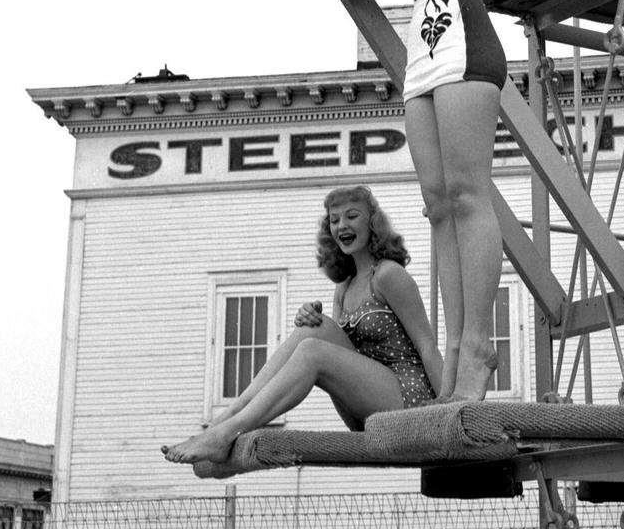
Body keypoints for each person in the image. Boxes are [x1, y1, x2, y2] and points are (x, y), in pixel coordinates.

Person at [213, 0, 507, 403]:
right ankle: (455, 347)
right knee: (437, 205)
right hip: (423, 60)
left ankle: (478, 346)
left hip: (467, 49)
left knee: (468, 195)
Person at [162, 185, 443, 465]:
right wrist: (311, 320)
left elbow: (427, 344)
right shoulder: (343, 289)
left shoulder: (388, 275)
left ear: (372, 221)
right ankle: (223, 421)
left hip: (408, 401)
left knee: (312, 350)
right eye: (334, 220)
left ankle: (225, 433)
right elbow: (344, 352)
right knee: (314, 327)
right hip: (364, 408)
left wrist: (448, 409)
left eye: (351, 216)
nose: (342, 225)